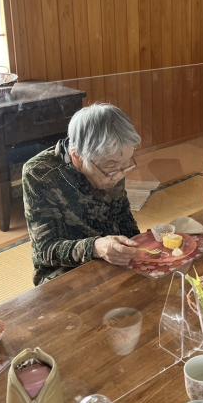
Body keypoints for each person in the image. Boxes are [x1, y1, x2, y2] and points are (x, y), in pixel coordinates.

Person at [22, 103, 142, 285]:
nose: (119, 175)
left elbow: (124, 221)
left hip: (113, 259)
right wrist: (95, 247)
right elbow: (45, 250)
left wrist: (139, 246)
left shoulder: (114, 163)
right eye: (110, 167)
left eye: (125, 164)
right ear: (77, 156)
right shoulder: (40, 173)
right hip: (66, 272)